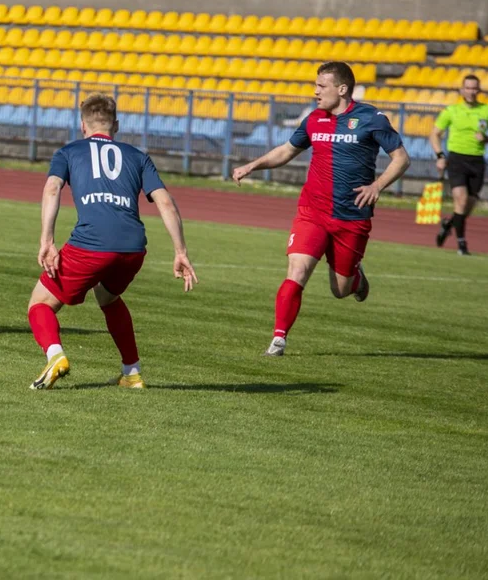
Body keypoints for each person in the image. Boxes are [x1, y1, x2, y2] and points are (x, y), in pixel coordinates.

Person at [232, 61, 410, 357]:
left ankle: (355, 277)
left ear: (342, 89)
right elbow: (287, 151)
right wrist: (253, 165)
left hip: (351, 217)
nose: (315, 92)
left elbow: (401, 158)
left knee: (340, 290)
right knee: (297, 270)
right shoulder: (314, 118)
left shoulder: (371, 118)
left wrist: (377, 186)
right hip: (311, 212)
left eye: (321, 86)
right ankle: (278, 339)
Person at [27, 93, 198, 390]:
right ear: (115, 125)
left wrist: (47, 241)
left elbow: (52, 189)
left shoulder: (68, 152)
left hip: (91, 244)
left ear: (83, 126)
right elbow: (166, 203)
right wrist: (180, 251)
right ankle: (131, 373)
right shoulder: (138, 156)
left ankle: (55, 356)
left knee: (39, 303)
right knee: (108, 297)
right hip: (133, 248)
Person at [429, 74, 488, 256]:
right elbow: (434, 134)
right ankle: (462, 245)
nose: (471, 91)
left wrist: (487, 138)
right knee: (460, 199)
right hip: (456, 160)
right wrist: (440, 155)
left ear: (479, 90)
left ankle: (449, 224)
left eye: (474, 88)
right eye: (468, 87)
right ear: (462, 90)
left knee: (467, 207)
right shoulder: (451, 111)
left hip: (477, 161)